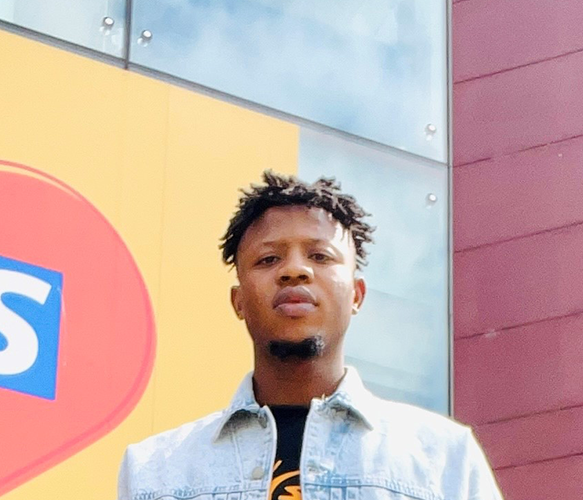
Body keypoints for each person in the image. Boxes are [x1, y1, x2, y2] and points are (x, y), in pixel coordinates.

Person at [118, 171, 503, 500]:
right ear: (238, 301)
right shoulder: (156, 471)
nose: (295, 271)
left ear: (356, 294)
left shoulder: (444, 459)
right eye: (269, 259)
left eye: (319, 256)